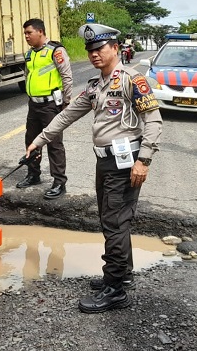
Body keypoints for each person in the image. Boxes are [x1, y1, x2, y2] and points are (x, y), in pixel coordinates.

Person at [27, 23, 163, 313]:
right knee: (111, 220)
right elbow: (66, 115)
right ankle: (123, 275)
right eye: (90, 50)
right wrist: (39, 141)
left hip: (126, 161)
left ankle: (115, 290)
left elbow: (153, 120)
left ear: (115, 48)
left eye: (100, 48)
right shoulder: (94, 85)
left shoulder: (131, 80)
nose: (94, 54)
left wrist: (144, 160)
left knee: (114, 222)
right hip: (105, 161)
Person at [17, 18, 73, 199]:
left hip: (51, 105)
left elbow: (66, 76)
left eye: (29, 33)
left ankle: (59, 182)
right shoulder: (30, 54)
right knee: (31, 140)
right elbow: (28, 76)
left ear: (40, 32)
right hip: (34, 104)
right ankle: (33, 174)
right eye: (25, 33)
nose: (26, 36)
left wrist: (66, 102)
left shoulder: (56, 51)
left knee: (54, 143)